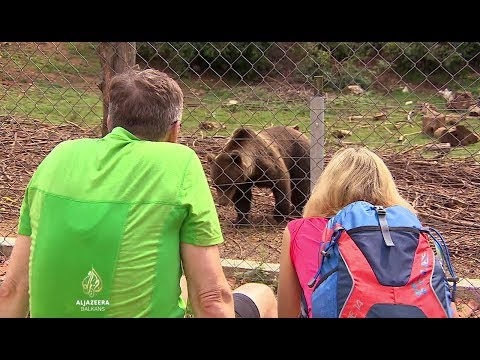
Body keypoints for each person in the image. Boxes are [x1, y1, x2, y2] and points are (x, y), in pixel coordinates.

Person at [0, 68, 277, 318]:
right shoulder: (180, 163)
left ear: (110, 121)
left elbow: (12, 289)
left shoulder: (57, 157)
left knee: (179, 283)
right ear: (175, 130)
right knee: (261, 294)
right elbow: (211, 299)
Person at [277, 146, 459, 318]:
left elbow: (287, 312)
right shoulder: (410, 230)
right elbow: (445, 304)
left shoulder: (300, 230)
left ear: (326, 187)